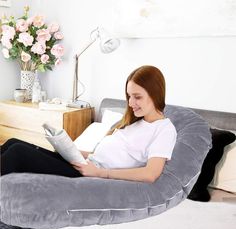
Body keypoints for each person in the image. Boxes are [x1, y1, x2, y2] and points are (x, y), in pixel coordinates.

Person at [0, 65, 177, 183]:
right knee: (13, 143)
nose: (131, 103)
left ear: (155, 93)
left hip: (92, 175)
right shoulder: (134, 123)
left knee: (17, 153)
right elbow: (104, 155)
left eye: (137, 97)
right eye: (129, 96)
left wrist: (102, 173)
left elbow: (151, 174)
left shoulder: (164, 129)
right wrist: (68, 149)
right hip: (85, 163)